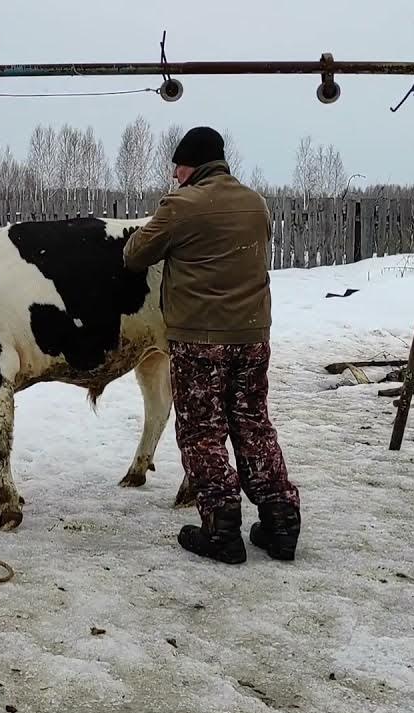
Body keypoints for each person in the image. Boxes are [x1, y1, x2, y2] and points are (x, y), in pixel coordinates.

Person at [122, 126, 301, 565]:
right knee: (253, 424)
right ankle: (280, 521)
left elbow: (135, 254)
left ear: (192, 164)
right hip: (253, 336)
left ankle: (221, 529)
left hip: (200, 340)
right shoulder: (256, 202)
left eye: (177, 165)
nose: (174, 173)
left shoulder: (181, 205)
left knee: (202, 431)